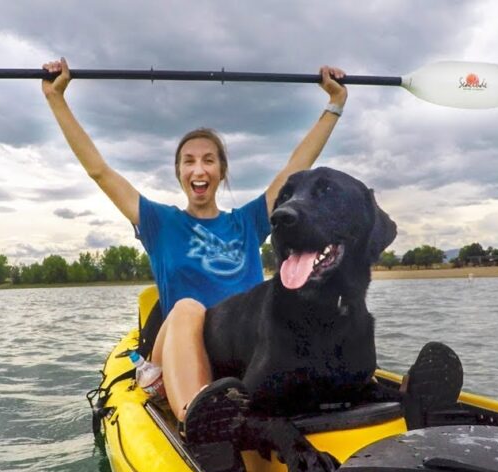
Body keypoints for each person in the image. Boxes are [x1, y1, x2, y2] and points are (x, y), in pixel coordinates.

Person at [42, 57, 348, 437]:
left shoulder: (248, 221)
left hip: (242, 352)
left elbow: (295, 168)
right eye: (188, 161)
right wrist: (56, 99)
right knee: (189, 308)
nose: (198, 169)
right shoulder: (159, 222)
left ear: (220, 172)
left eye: (207, 160)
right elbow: (99, 171)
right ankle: (201, 422)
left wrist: (334, 105)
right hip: (177, 351)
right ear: (179, 173)